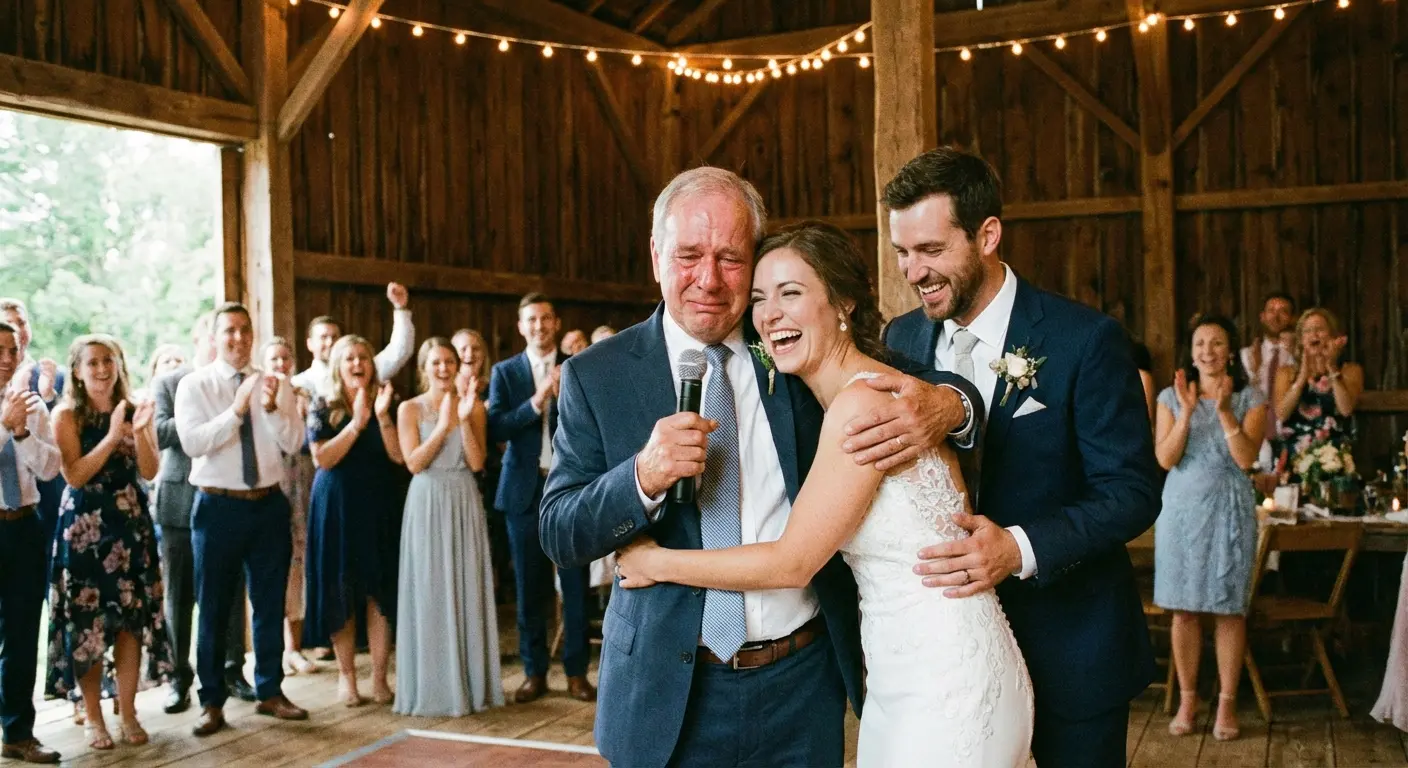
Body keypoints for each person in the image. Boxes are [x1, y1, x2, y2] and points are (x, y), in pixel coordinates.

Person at [539, 167, 981, 767]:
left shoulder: (790, 340)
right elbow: (560, 531)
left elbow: (918, 380)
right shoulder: (599, 375)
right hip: (669, 692)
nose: (709, 280)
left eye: (730, 258)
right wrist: (640, 476)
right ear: (655, 255)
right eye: (689, 255)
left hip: (799, 682)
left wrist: (952, 405)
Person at [615, 221, 1033, 765]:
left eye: (791, 293)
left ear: (843, 304)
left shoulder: (865, 406)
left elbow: (793, 562)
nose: (770, 314)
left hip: (943, 682)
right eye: (760, 299)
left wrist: (658, 562)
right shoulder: (881, 393)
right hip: (918, 665)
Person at [876, 147, 1161, 766]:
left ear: (987, 235)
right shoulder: (900, 340)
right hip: (953, 659)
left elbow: (1133, 491)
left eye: (930, 250)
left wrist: (1019, 547)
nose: (912, 270)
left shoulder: (1084, 340)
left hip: (1071, 649)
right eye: (902, 251)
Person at [175, 303, 308, 736]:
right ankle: (211, 700)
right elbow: (194, 443)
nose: (237, 338)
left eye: (244, 330)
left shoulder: (276, 383)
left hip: (268, 504)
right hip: (218, 506)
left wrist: (270, 408)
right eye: (229, 330)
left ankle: (270, 690)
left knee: (269, 604)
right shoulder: (194, 385)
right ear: (215, 337)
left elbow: (294, 442)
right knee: (212, 606)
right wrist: (236, 410)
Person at [45, 334, 172, 749]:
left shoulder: (133, 409)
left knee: (130, 624)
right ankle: (94, 718)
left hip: (130, 525)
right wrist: (112, 434)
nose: (102, 369)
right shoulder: (66, 415)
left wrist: (140, 433)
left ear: (119, 366)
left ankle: (129, 712)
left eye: (109, 361)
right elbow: (75, 474)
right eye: (93, 363)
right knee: (89, 628)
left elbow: (150, 471)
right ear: (78, 373)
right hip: (85, 529)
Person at [1154, 315, 1266, 741]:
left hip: (1230, 509)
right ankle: (1187, 700)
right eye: (1201, 343)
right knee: (1183, 609)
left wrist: (1222, 413)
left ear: (1229, 350)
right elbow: (1165, 460)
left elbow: (1245, 459)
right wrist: (1185, 413)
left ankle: (1227, 705)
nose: (1208, 351)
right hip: (1181, 509)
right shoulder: (1169, 396)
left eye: (1217, 343)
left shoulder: (1250, 397)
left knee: (1228, 609)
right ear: (1192, 349)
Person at [488, 295, 594, 703]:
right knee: (528, 587)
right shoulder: (506, 372)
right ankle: (534, 673)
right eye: (531, 319)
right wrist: (538, 400)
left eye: (546, 318)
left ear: (557, 323)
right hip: (523, 490)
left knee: (575, 584)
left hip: (570, 487)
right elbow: (497, 426)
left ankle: (576, 672)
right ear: (520, 326)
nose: (539, 325)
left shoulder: (579, 367)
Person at [152, 314, 255, 715]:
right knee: (179, 595)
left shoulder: (240, 382)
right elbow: (160, 432)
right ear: (202, 338)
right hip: (180, 500)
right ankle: (179, 676)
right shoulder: (172, 383)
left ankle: (233, 669)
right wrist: (204, 419)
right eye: (218, 334)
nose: (226, 341)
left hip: (226, 499)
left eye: (235, 333)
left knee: (230, 592)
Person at [394, 338, 502, 716]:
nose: (444, 368)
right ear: (424, 367)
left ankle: (469, 687)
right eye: (436, 362)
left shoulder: (473, 408)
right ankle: (433, 687)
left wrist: (464, 419)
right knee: (429, 588)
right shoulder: (409, 409)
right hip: (427, 500)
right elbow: (413, 462)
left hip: (463, 497)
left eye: (449, 362)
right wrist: (442, 426)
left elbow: (476, 462)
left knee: (465, 585)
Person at [303, 335, 403, 707]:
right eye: (350, 359)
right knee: (340, 590)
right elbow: (323, 458)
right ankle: (347, 678)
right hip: (336, 505)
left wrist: (380, 417)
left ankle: (379, 677)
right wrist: (357, 424)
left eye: (364, 357)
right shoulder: (322, 404)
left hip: (379, 503)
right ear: (337, 367)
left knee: (379, 590)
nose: (358, 364)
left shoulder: (385, 399)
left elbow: (398, 457)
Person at [0, 321, 62, 764]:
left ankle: (18, 733)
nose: (6, 357)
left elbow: (49, 468)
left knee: (23, 635)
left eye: (12, 349)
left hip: (23, 525)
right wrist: (5, 428)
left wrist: (21, 432)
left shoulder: (34, 407)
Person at [261, 337, 318, 677]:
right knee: (272, 564)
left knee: (299, 561)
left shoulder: (305, 397)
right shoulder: (256, 395)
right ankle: (273, 649)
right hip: (272, 480)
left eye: (285, 358)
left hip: (303, 480)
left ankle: (295, 647)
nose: (280, 364)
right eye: (274, 359)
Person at [1272, 307, 1363, 473]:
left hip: (1336, 454)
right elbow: (1281, 413)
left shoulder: (1350, 370)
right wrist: (1302, 377)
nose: (1314, 335)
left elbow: (1346, 409)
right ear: (1300, 339)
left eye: (1320, 329)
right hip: (1296, 455)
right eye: (1308, 331)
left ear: (1331, 335)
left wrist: (1331, 366)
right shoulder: (1286, 372)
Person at [290, 282, 415, 398]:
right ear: (310, 344)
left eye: (334, 337)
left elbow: (399, 351)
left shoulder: (364, 369)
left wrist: (400, 308)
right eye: (323, 337)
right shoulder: (300, 383)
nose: (330, 343)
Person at [1241, 293, 1296, 468]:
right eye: (1271, 310)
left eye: (1283, 311)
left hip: (1291, 436)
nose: (1276, 316)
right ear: (1262, 317)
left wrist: (1295, 352)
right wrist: (1255, 372)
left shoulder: (1298, 356)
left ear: (1292, 318)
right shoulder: (1246, 355)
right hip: (1256, 436)